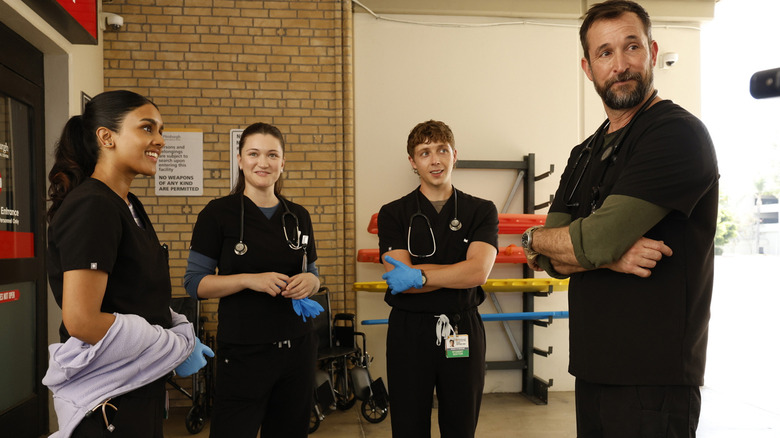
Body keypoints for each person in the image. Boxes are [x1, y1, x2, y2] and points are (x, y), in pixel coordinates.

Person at [521, 1, 718, 436]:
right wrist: (593, 252)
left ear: (651, 50)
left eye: (631, 47)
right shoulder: (585, 151)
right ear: (588, 68)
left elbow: (593, 239)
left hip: (654, 381)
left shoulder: (676, 135)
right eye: (605, 53)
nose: (621, 64)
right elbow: (553, 258)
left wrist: (559, 243)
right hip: (592, 372)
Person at [44, 90, 213, 437]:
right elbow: (82, 320)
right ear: (106, 137)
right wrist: (174, 345)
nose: (160, 141)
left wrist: (179, 329)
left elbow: (139, 297)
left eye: (161, 130)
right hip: (108, 404)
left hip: (138, 389)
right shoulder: (93, 205)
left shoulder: (128, 204)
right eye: (147, 128)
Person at [183, 122, 322, 438]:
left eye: (272, 154)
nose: (264, 162)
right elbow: (195, 283)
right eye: (254, 154)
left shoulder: (298, 215)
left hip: (297, 349)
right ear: (240, 159)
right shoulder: (217, 215)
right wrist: (247, 280)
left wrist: (310, 284)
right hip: (245, 353)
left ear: (283, 162)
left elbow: (312, 272)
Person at [378, 120, 499, 438]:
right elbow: (396, 279)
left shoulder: (481, 211)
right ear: (412, 162)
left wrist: (417, 274)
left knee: (461, 426)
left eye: (442, 150)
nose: (435, 160)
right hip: (409, 330)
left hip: (462, 328)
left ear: (454, 155)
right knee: (408, 424)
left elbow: (478, 272)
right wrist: (455, 271)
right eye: (425, 152)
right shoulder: (393, 214)